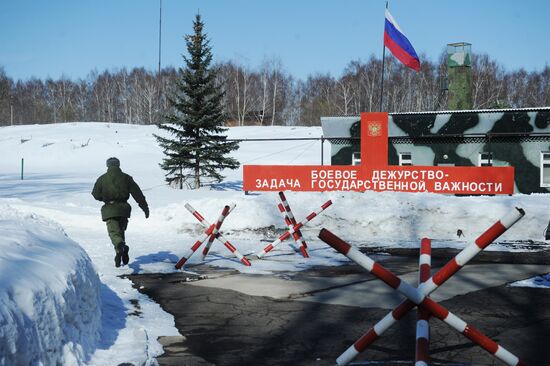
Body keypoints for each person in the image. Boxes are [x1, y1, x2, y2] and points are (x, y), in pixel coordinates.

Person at [92, 157, 149, 267]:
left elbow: (95, 195)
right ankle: (121, 250)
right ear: (118, 165)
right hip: (124, 209)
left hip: (110, 209)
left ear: (107, 165)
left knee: (114, 233)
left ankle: (121, 248)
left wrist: (104, 197)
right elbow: (137, 194)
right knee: (120, 232)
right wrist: (145, 208)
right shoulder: (126, 178)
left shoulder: (102, 179)